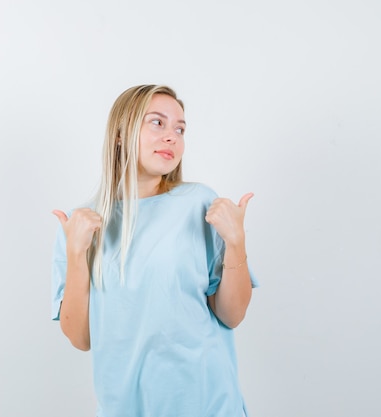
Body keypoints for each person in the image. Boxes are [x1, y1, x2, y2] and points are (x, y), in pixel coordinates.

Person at [50, 84, 259, 417]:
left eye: (180, 128)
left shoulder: (199, 203)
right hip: (125, 408)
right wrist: (77, 256)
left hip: (207, 405)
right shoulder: (82, 224)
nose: (172, 137)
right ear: (120, 134)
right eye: (157, 123)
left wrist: (236, 242)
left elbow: (231, 315)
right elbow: (81, 337)